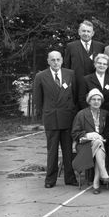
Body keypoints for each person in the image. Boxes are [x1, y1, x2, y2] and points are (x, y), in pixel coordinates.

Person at [32, 51, 78, 188]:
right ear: (48, 61)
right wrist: (46, 113)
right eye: (53, 60)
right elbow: (37, 100)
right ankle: (50, 179)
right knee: (52, 150)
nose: (56, 62)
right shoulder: (40, 76)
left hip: (66, 117)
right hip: (51, 118)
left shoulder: (70, 74)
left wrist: (70, 111)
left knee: (68, 150)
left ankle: (70, 178)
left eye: (58, 59)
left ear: (62, 60)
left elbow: (74, 96)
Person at [71, 89, 109, 194]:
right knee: (99, 144)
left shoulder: (105, 114)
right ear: (89, 101)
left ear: (101, 101)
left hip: (102, 143)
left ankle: (96, 181)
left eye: (99, 99)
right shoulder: (81, 114)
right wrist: (87, 135)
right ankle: (101, 177)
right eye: (93, 99)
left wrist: (101, 137)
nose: (96, 101)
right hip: (85, 144)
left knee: (99, 143)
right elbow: (74, 133)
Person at [64, 20, 105, 88]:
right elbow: (67, 66)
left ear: (93, 33)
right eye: (83, 31)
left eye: (88, 31)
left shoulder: (100, 46)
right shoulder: (71, 46)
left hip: (95, 83)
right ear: (79, 32)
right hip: (77, 84)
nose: (86, 33)